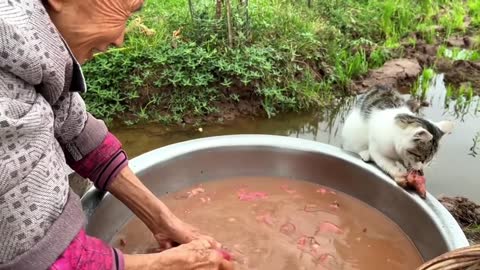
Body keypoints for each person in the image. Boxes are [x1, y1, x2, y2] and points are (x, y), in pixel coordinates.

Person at [0, 0, 233, 269]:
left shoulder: (31, 50)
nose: (120, 40)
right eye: (123, 8)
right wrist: (171, 264)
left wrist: (162, 219)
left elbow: (74, 128)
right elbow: (42, 258)